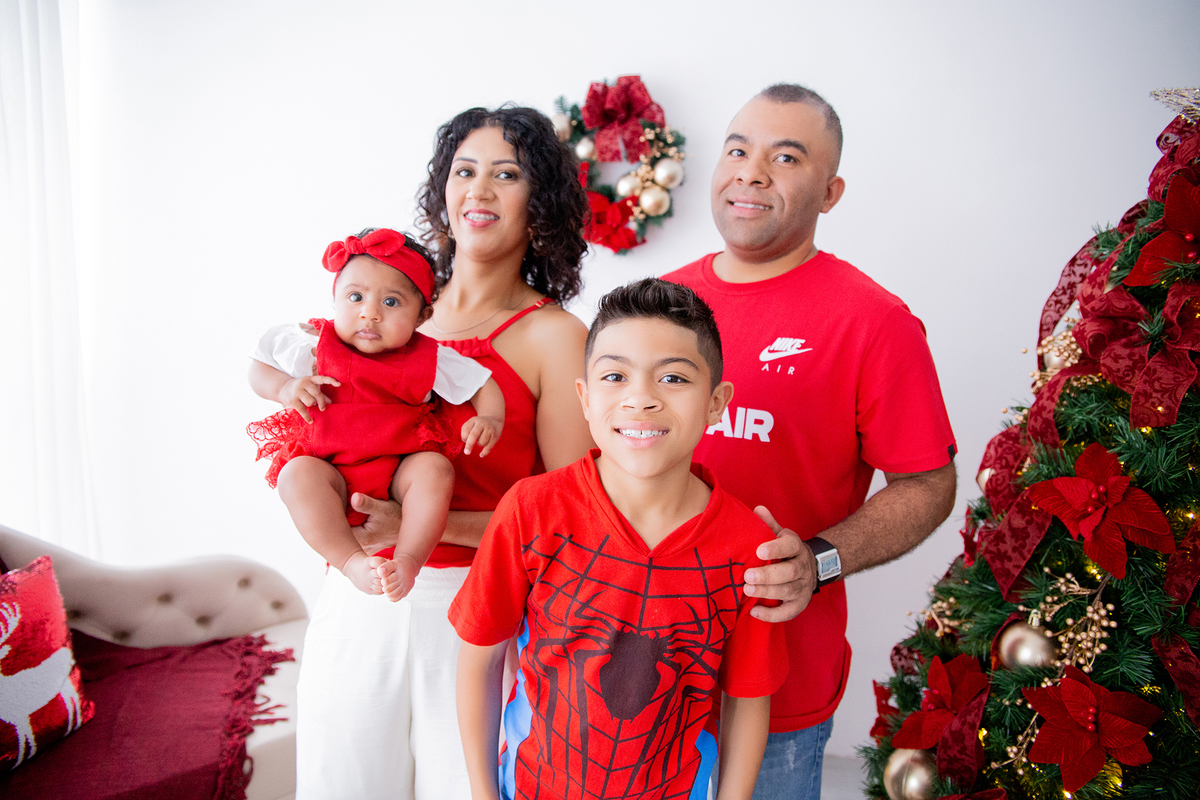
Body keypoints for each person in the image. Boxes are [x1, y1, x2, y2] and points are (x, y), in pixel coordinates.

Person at [663, 84, 958, 800]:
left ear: (830, 192)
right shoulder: (658, 304)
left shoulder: (874, 321)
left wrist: (819, 562)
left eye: (785, 157)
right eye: (738, 149)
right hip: (646, 675)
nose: (751, 171)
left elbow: (929, 483)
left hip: (779, 695)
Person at [293, 106, 594, 800]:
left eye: (506, 174)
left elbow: (571, 517)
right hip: (358, 596)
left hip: (472, 609)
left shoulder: (555, 337)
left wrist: (425, 531)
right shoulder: (382, 307)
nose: (479, 190)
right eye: (465, 171)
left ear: (539, 203)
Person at [452, 278, 788, 800]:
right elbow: (481, 661)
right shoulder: (530, 508)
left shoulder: (749, 546)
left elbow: (747, 697)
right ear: (584, 399)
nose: (641, 400)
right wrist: (481, 793)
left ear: (716, 402)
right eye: (615, 376)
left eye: (673, 377)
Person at [246, 228, 505, 602]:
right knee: (296, 476)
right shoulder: (314, 345)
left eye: (392, 303)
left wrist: (491, 418)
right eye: (355, 297)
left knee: (434, 470)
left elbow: (482, 383)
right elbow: (259, 365)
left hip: (399, 467)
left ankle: (409, 560)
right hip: (330, 467)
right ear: (334, 300)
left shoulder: (429, 357)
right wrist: (284, 388)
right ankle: (350, 561)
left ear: (422, 315)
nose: (370, 313)